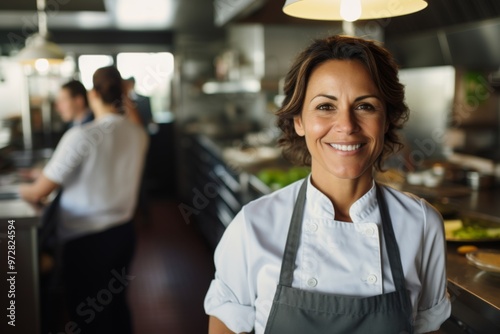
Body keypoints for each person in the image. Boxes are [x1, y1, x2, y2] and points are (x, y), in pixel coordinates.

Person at [204, 35, 451, 334]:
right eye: (325, 106)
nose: (346, 126)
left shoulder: (422, 224)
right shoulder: (253, 226)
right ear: (298, 120)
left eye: (365, 106)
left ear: (387, 120)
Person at [20, 66, 149, 334]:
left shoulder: (82, 135)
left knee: (88, 317)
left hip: (87, 241)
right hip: (124, 234)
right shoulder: (138, 135)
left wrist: (21, 189)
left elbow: (39, 191)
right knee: (116, 307)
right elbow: (131, 122)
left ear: (91, 94)